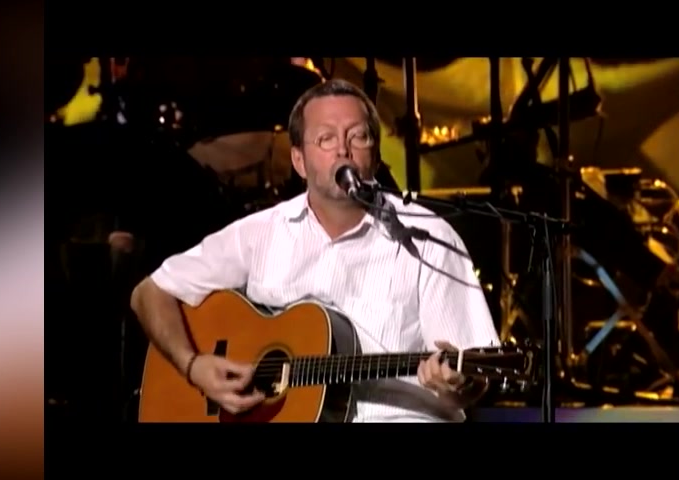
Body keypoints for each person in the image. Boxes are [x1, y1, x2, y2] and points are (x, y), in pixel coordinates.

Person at [130, 78, 501, 422]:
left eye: (358, 137)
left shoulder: (429, 238)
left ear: (375, 154)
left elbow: (476, 379)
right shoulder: (259, 233)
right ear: (299, 161)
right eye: (325, 139)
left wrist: (459, 384)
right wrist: (192, 366)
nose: (343, 149)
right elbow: (150, 292)